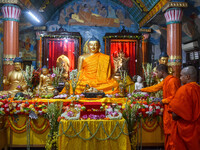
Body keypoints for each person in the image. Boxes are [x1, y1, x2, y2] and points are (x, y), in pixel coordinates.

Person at [135, 64, 181, 150]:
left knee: (171, 133)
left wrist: (162, 101)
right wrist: (141, 90)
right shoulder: (166, 81)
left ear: (162, 72)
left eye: (157, 72)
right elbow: (155, 88)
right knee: (167, 133)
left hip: (172, 111)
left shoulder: (172, 81)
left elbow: (175, 97)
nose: (156, 74)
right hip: (167, 109)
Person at [169, 66, 200, 150]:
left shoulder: (184, 90)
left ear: (188, 77)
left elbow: (175, 116)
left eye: (181, 75)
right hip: (197, 130)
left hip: (185, 130)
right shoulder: (198, 89)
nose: (179, 78)